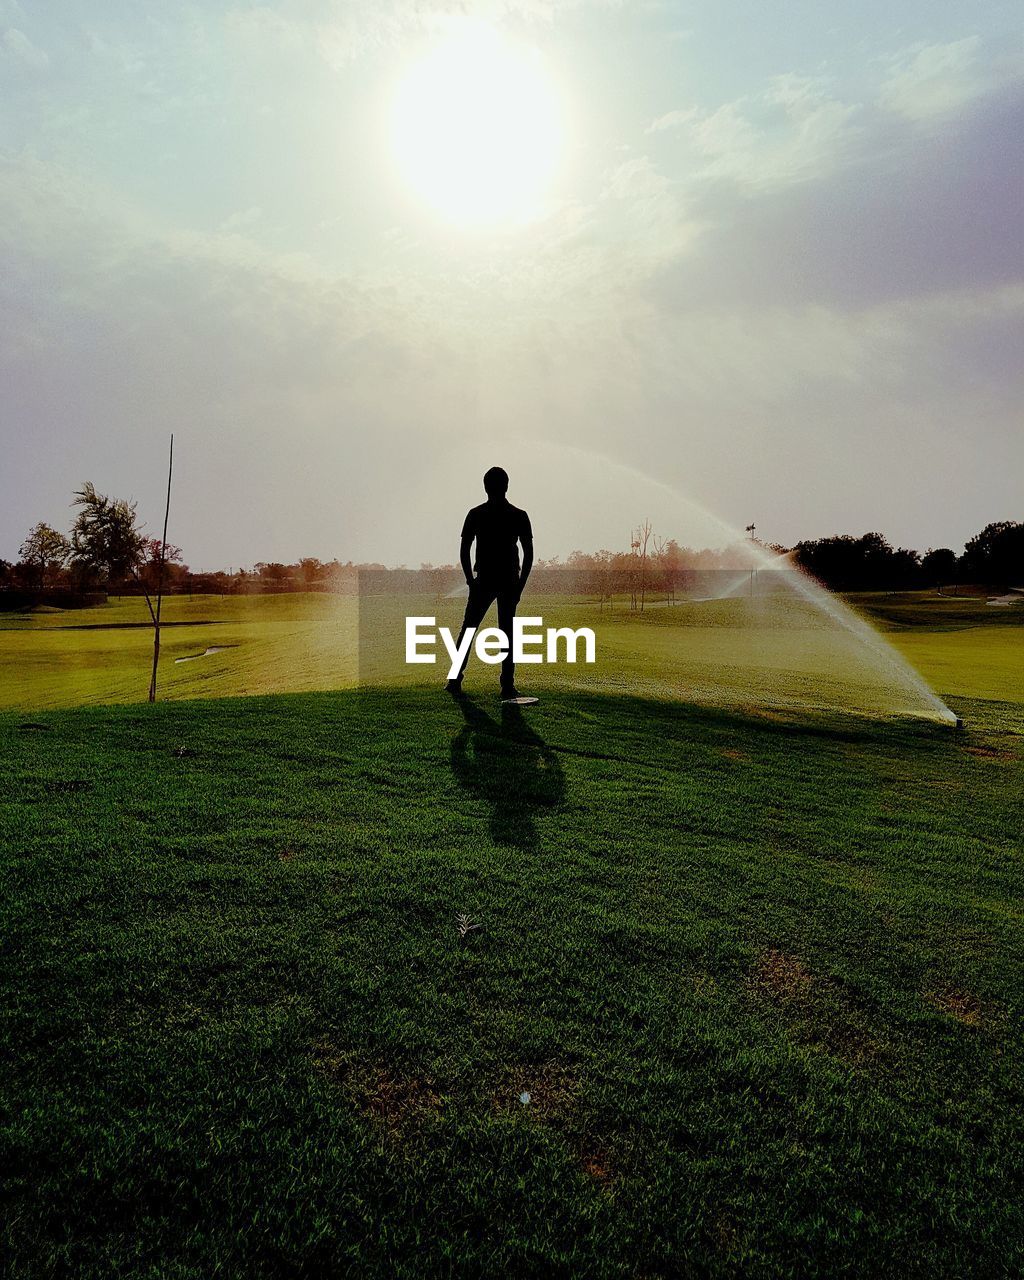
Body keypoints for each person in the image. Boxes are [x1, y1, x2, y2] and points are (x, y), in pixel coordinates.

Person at [446, 466, 533, 699]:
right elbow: (528, 555)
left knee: (469, 629)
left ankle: (455, 679)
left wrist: (470, 580)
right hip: (506, 581)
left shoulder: (476, 513)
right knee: (506, 633)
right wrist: (520, 587)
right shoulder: (518, 515)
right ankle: (507, 686)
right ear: (506, 486)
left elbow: (464, 550)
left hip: (484, 580)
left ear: (485, 487)